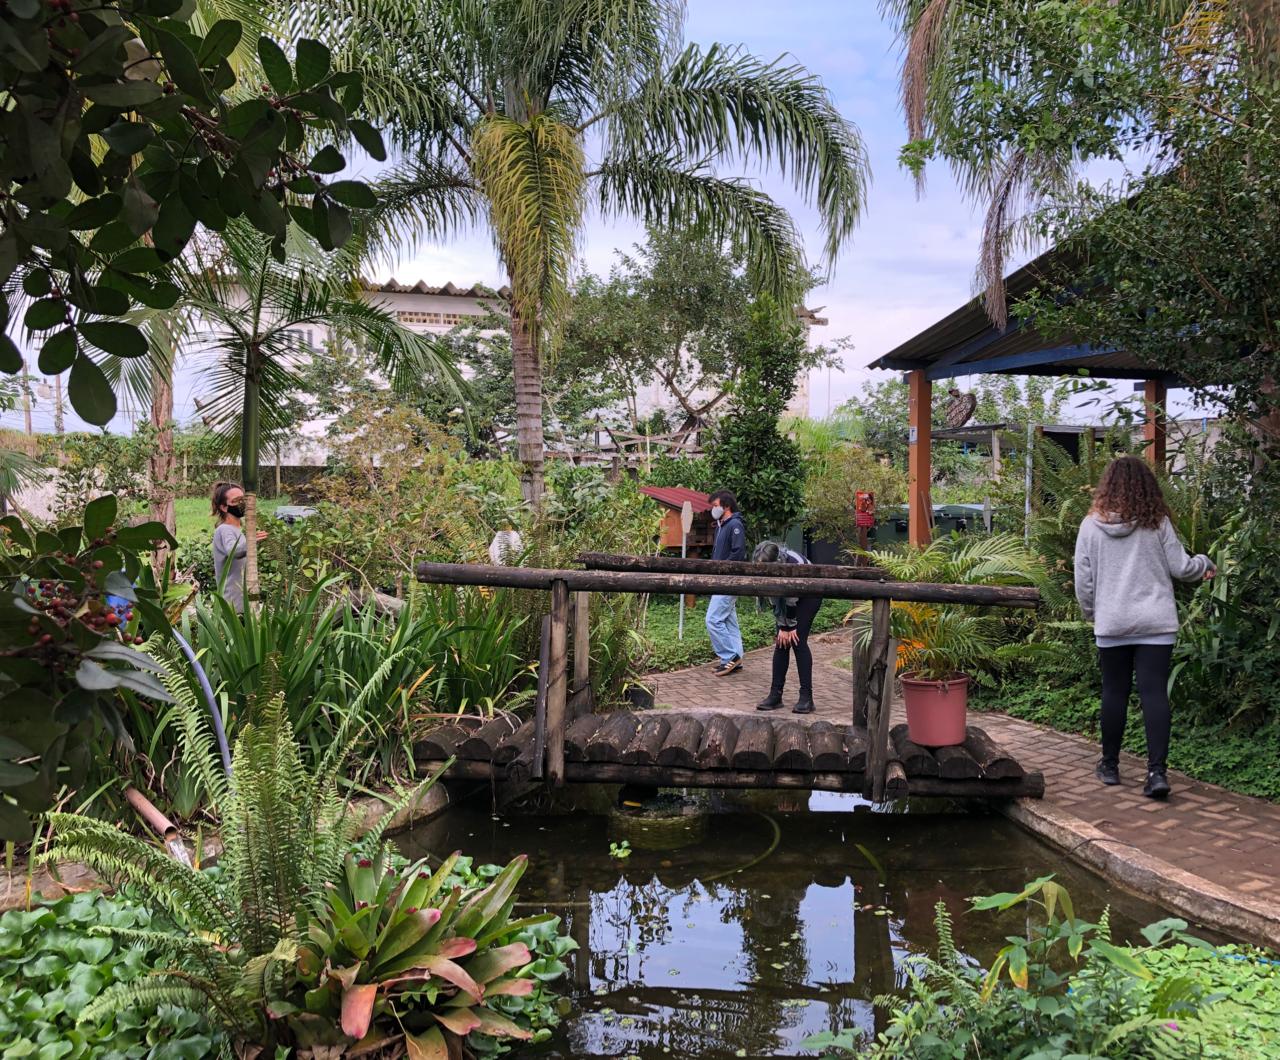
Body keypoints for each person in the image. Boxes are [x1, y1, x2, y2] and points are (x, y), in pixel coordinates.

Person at [1074, 455, 1215, 799]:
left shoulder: (1091, 526)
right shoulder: (1157, 522)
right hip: (1156, 622)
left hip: (1113, 623)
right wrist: (1205, 565)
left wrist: (1094, 613)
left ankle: (1109, 766)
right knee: (1153, 694)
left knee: (1114, 692)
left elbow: (1083, 579)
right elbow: (1182, 567)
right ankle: (1156, 774)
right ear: (1147, 485)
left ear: (1106, 485)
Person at [752, 540, 821, 714]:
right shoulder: (766, 569)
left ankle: (807, 698)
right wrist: (782, 627)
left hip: (809, 595)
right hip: (787, 598)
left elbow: (792, 597)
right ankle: (775, 695)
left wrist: (789, 627)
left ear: (776, 562)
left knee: (798, 641)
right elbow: (775, 597)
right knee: (781, 643)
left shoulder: (792, 564)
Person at [705, 488, 746, 675]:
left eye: (715, 505)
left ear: (726, 506)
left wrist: (722, 570)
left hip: (728, 580)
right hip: (720, 580)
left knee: (713, 619)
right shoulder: (722, 525)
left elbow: (737, 553)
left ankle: (730, 656)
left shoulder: (735, 525)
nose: (713, 509)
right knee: (729, 621)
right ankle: (734, 659)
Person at [211, 481, 267, 613]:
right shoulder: (224, 530)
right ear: (224, 507)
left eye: (243, 499)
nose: (242, 504)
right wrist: (251, 541)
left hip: (246, 599)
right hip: (234, 606)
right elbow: (233, 551)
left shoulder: (239, 531)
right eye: (236, 501)